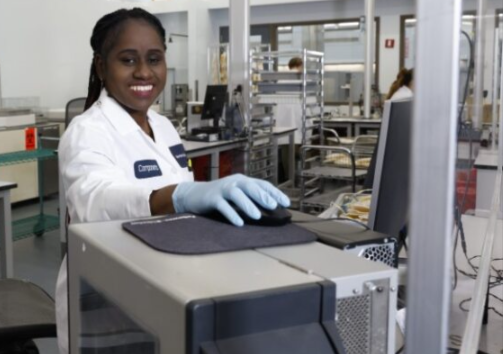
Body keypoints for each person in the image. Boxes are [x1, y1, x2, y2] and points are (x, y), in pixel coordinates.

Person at [56, 8, 290, 353]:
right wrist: (180, 195)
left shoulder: (163, 127)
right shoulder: (87, 132)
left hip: (164, 280)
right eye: (127, 60)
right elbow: (96, 201)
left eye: (155, 59)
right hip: (105, 299)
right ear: (102, 67)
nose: (144, 72)